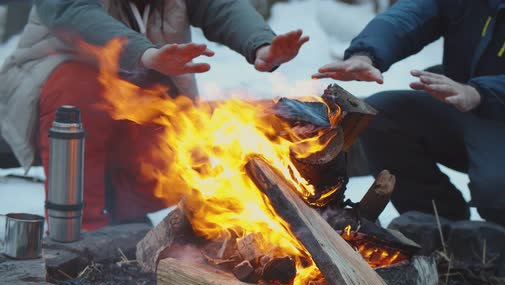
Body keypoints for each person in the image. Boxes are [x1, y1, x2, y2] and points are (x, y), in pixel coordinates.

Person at [0, 0, 309, 230]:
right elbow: (74, 12)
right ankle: (82, 229)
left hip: (141, 77)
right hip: (51, 87)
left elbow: (220, 5)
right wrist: (145, 55)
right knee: (80, 94)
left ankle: (122, 217)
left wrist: (260, 43)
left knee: (173, 128)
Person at [313, 0, 505, 230]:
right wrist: (366, 54)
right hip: (458, 102)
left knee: (503, 192)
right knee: (379, 118)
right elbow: (409, 16)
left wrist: (479, 93)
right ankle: (438, 225)